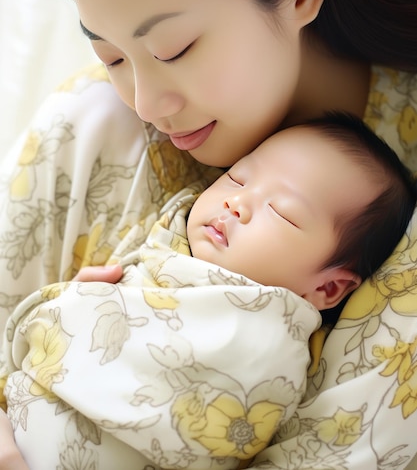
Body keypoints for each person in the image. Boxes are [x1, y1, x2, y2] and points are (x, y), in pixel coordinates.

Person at [1, 0, 417, 468]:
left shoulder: (401, 215)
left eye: (173, 48)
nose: (144, 102)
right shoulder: (89, 126)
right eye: (110, 55)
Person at [1, 113, 416, 470]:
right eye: (237, 175)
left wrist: (67, 310)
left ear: (326, 286)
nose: (237, 202)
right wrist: (79, 302)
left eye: (282, 212)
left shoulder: (267, 343)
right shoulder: (161, 244)